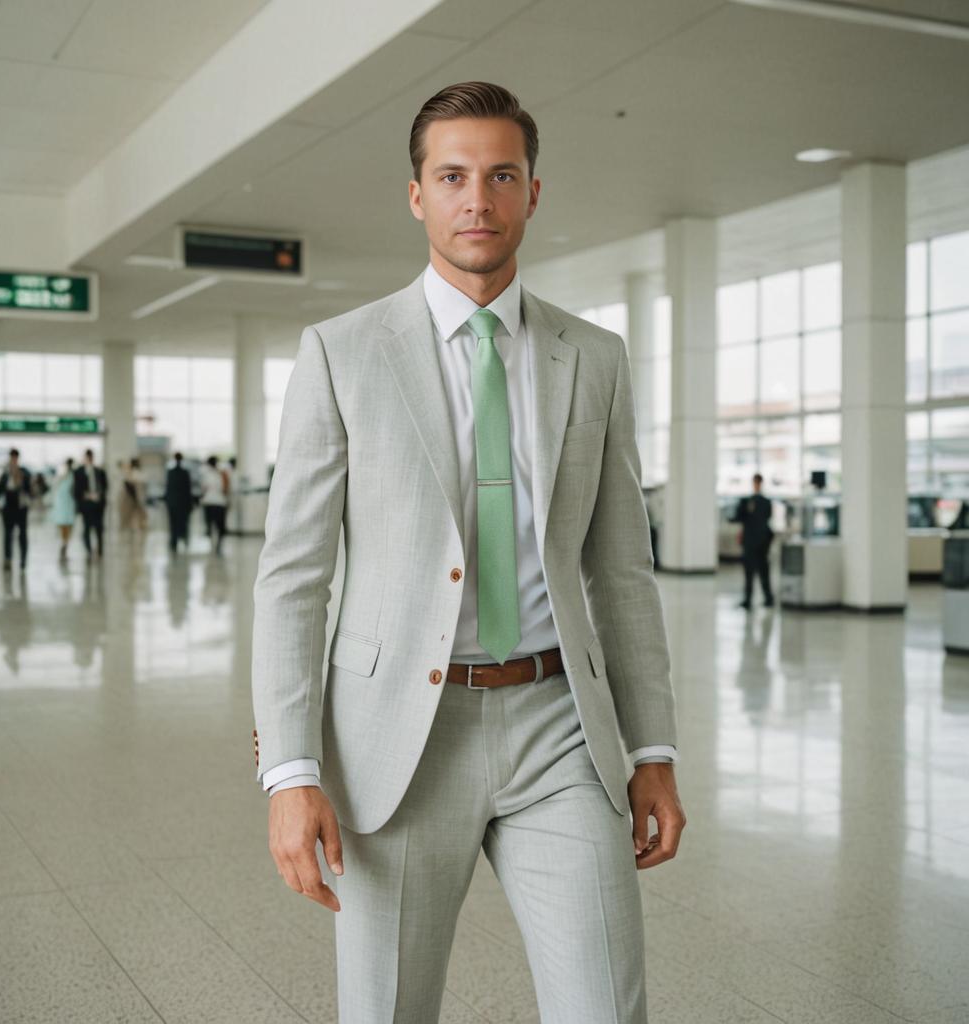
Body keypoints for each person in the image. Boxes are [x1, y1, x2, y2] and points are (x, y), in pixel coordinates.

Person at [252, 82, 683, 1024]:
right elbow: (293, 578)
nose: (476, 200)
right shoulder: (343, 352)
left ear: (534, 192)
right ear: (417, 195)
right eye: (452, 177)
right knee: (388, 1009)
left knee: (607, 1007)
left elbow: (620, 570)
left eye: (500, 176)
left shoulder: (593, 356)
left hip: (561, 724)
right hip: (397, 737)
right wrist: (291, 772)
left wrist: (653, 749)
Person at [732, 471, 775, 609]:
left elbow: (739, 517)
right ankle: (752, 599)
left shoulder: (755, 502)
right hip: (757, 541)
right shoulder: (754, 502)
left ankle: (766, 598)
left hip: (756, 542)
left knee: (761, 571)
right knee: (752, 572)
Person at [0, 449, 31, 571]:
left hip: (21, 507)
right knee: (8, 534)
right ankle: (8, 558)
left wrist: (19, 479)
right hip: (8, 507)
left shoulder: (24, 472)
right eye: (11, 458)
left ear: (18, 458)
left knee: (22, 534)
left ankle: (23, 559)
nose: (13, 460)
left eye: (15, 458)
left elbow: (28, 490)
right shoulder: (5, 473)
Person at [73, 448, 108, 560]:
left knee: (99, 529)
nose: (89, 459)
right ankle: (89, 551)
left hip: (98, 505)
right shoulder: (79, 472)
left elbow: (105, 486)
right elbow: (76, 491)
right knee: (87, 528)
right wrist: (87, 496)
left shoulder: (100, 471)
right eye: (88, 457)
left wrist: (99, 496)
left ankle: (100, 550)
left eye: (91, 457)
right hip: (86, 506)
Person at [164, 452, 194, 554]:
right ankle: (182, 538)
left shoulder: (170, 472)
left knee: (173, 523)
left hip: (172, 502)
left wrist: (167, 500)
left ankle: (174, 540)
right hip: (182, 502)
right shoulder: (185, 473)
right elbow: (188, 489)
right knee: (183, 521)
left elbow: (168, 488)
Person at [199, 455, 229, 554]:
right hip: (220, 502)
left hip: (208, 502)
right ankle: (218, 545)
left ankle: (212, 544)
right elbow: (225, 489)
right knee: (220, 525)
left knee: (210, 524)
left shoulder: (205, 474)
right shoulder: (222, 473)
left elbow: (203, 489)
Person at [50, 458, 77, 560]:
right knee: (65, 528)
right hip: (63, 505)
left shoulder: (70, 477)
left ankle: (64, 544)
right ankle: (64, 544)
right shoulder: (64, 477)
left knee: (67, 528)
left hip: (67, 505)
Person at [118, 457, 148, 533]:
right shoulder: (136, 474)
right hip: (134, 499)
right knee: (136, 518)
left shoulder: (133, 474)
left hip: (135, 499)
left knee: (134, 518)